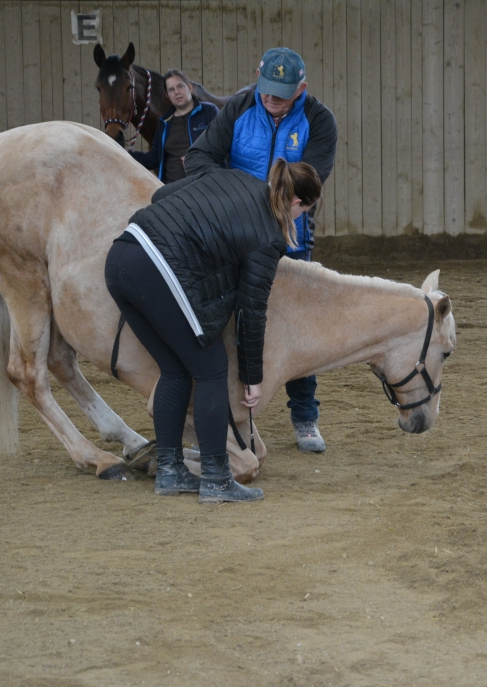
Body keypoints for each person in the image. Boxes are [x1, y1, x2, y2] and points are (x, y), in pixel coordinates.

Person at [105, 160, 322, 501]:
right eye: (304, 211)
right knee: (211, 369)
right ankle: (217, 480)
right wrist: (252, 378)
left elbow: (162, 194)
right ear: (297, 203)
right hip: (158, 266)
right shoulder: (268, 235)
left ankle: (170, 471)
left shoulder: (232, 176)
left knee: (176, 369)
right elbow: (252, 311)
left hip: (121, 257)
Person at [182, 47, 337, 454]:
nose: (272, 99)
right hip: (231, 238)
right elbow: (198, 158)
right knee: (222, 319)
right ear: (258, 77)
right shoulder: (237, 107)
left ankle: (305, 416)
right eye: (268, 90)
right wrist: (238, 200)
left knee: (296, 329)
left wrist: (267, 211)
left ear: (301, 87)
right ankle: (214, 410)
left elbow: (308, 185)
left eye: (283, 94)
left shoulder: (319, 121)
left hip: (289, 242)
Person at [129, 69, 219, 183]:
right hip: (172, 191)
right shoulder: (164, 122)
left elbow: (223, 145)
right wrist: (124, 154)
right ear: (167, 96)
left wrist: (198, 158)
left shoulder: (209, 111)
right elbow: (153, 159)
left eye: (180, 86)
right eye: (171, 90)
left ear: (189, 87)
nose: (177, 92)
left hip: (204, 186)